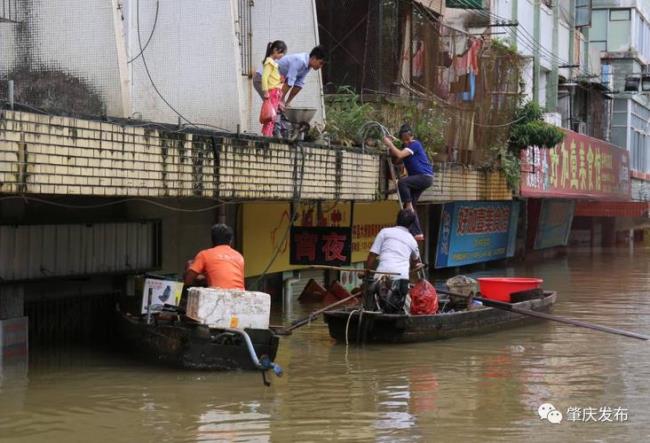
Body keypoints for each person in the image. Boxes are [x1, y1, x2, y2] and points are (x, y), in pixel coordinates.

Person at [363, 209, 423, 313]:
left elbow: (372, 255)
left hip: (380, 276)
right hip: (401, 278)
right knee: (398, 306)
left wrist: (366, 271)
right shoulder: (412, 240)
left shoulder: (384, 232)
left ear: (397, 220)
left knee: (373, 301)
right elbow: (415, 262)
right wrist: (415, 266)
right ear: (411, 226)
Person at [383, 124, 434, 241]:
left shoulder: (415, 144)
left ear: (412, 137)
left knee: (402, 183)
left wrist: (390, 144)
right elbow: (397, 160)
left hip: (424, 177)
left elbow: (400, 154)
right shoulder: (405, 147)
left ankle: (408, 204)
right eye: (404, 140)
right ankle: (418, 233)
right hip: (418, 178)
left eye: (408, 139)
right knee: (410, 209)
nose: (406, 141)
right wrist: (392, 145)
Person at [184, 224, 245, 290]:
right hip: (241, 296)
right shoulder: (239, 256)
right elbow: (227, 278)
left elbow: (188, 280)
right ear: (230, 241)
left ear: (212, 239)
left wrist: (190, 268)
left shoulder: (204, 254)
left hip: (217, 296)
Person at [260, 40, 288, 136]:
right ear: (275, 50)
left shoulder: (273, 63)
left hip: (276, 92)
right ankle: (267, 135)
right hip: (272, 93)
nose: (282, 56)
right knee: (270, 116)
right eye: (282, 53)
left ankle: (268, 134)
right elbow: (264, 77)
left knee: (272, 115)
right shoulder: (269, 62)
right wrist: (265, 91)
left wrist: (280, 80)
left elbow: (271, 77)